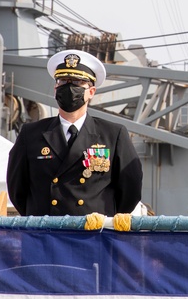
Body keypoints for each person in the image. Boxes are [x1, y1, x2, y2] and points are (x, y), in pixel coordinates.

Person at [7, 50, 142, 216]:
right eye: (63, 81)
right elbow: (17, 190)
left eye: (77, 82)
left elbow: (130, 191)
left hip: (92, 235)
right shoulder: (31, 134)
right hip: (45, 235)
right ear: (56, 88)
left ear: (91, 92)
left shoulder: (113, 135)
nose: (69, 87)